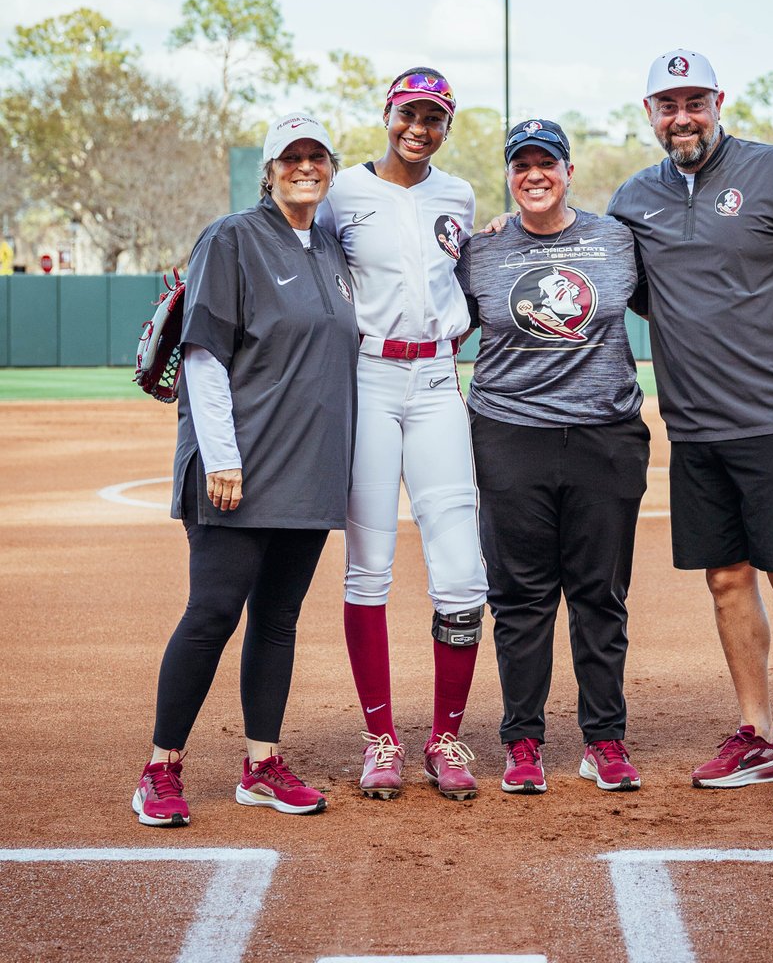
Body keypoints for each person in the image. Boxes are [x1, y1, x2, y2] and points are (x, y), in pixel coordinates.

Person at [607, 50, 773, 813]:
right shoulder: (632, 200)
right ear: (648, 113)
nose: (681, 117)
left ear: (718, 101)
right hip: (695, 424)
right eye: (666, 104)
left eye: (694, 101)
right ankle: (758, 733)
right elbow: (601, 270)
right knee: (725, 580)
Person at [132, 112, 358, 826]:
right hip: (242, 464)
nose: (304, 166)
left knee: (279, 619)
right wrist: (222, 457)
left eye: (315, 155)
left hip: (311, 467)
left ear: (330, 165)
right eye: (290, 157)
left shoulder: (328, 245)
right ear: (269, 169)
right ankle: (161, 769)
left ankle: (261, 764)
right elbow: (202, 355)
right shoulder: (232, 237)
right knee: (213, 612)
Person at [458, 118, 650, 794]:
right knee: (521, 597)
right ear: (508, 177)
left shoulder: (616, 240)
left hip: (605, 435)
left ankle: (605, 739)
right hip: (511, 434)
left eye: (547, 163)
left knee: (601, 594)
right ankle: (523, 742)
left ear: (568, 171)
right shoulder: (479, 252)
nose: (534, 175)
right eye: (521, 165)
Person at [316, 67, 487, 801]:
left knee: (462, 569)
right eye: (409, 113)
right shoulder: (341, 194)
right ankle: (380, 737)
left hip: (440, 379)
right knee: (369, 566)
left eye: (435, 118)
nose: (420, 127)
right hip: (369, 378)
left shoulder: (459, 195)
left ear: (447, 126)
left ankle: (446, 738)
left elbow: (468, 280)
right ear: (387, 113)